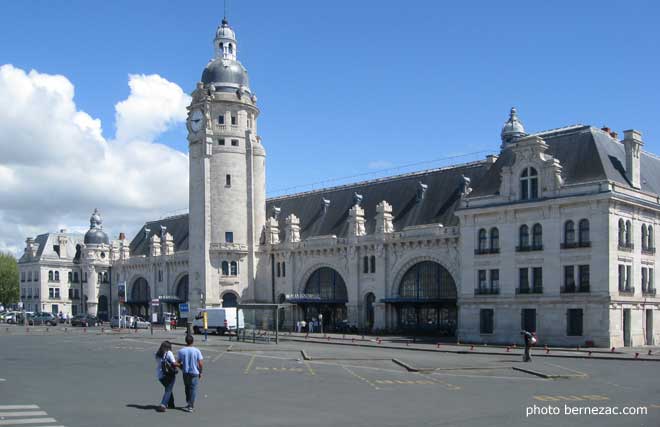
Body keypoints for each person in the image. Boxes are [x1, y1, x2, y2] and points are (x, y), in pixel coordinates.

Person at [177, 334, 203, 413]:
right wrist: (200, 372)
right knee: (193, 389)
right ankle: (191, 406)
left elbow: (177, 362)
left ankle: (188, 402)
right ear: (193, 341)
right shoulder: (196, 350)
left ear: (186, 341)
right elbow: (200, 363)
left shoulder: (181, 351)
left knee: (187, 387)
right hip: (194, 372)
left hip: (185, 372)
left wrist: (181, 366)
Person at [155, 340, 177, 412]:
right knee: (168, 389)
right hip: (169, 374)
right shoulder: (169, 353)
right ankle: (163, 405)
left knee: (168, 388)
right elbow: (174, 363)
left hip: (160, 375)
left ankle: (171, 404)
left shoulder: (157, 354)